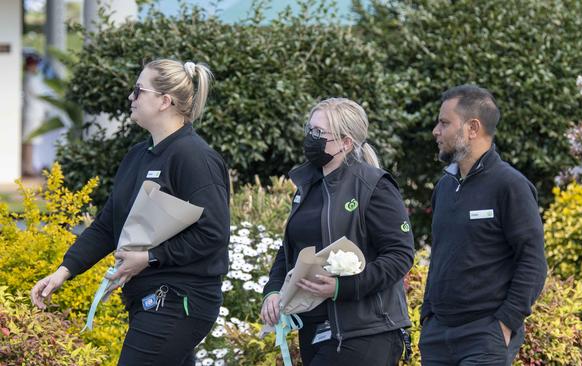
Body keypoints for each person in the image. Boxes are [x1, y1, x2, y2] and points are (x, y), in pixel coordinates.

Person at [30, 59, 230, 366]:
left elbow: (213, 233)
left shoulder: (194, 157)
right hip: (147, 297)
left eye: (138, 90)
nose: (130, 97)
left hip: (180, 299)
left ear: (165, 101)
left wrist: (151, 257)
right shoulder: (140, 154)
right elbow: (108, 225)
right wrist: (63, 271)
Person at [260, 98, 414, 365]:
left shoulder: (373, 185)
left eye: (320, 133)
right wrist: (272, 291)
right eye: (310, 130)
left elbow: (400, 255)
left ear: (346, 142)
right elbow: (290, 250)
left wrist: (342, 287)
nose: (311, 138)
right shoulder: (308, 185)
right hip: (313, 331)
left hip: (365, 333)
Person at [419, 85, 547, 365]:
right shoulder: (444, 187)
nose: (435, 132)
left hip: (484, 335)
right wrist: (427, 317)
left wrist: (505, 324)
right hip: (437, 336)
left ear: (472, 128)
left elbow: (533, 261)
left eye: (444, 123)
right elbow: (441, 254)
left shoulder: (510, 185)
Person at [21, 53, 47, 177]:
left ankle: (28, 166)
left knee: (30, 142)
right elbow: (40, 96)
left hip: (34, 113)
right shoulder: (30, 79)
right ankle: (27, 167)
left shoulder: (31, 78)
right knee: (28, 141)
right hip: (31, 114)